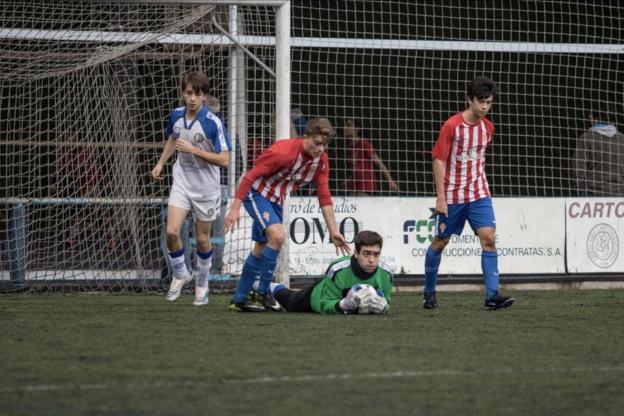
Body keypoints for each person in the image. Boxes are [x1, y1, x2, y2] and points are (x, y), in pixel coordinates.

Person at [223, 117, 351, 312]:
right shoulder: (283, 152)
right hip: (255, 192)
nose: (320, 149)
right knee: (278, 236)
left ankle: (239, 298)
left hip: (276, 199)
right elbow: (250, 176)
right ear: (305, 136)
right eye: (317, 143)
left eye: (324, 145)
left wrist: (334, 231)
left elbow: (324, 196)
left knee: (261, 247)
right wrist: (234, 208)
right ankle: (263, 293)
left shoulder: (321, 162)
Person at [422, 76, 514, 311]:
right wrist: (441, 197)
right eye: (481, 101)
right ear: (469, 100)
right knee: (440, 242)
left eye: (489, 103)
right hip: (452, 196)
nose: (484, 107)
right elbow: (438, 161)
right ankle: (429, 292)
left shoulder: (488, 128)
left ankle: (492, 296)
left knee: (489, 239)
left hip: (479, 193)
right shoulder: (452, 126)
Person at [151, 71, 231, 306]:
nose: (192, 98)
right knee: (172, 232)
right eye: (188, 93)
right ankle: (180, 273)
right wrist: (161, 163)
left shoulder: (213, 123)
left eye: (197, 94)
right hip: (182, 182)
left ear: (204, 96)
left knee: (202, 239)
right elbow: (172, 139)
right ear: (183, 94)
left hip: (206, 189)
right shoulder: (175, 116)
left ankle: (202, 284)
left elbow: (225, 160)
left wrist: (194, 150)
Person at [251, 230, 392, 314]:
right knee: (290, 301)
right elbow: (325, 304)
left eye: (376, 254)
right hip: (316, 298)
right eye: (366, 254)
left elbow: (386, 300)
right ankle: (256, 284)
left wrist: (384, 307)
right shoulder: (338, 270)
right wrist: (343, 305)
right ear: (355, 253)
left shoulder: (386, 275)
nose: (372, 260)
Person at [342, 118, 399, 196]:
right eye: (345, 125)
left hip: (366, 187)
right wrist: (349, 180)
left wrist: (390, 180)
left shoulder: (364, 143)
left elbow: (379, 163)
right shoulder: (350, 147)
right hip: (355, 188)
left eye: (349, 125)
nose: (345, 128)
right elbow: (355, 168)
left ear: (357, 129)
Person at [573, 112, 624, 196]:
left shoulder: (586, 137)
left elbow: (579, 167)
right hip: (619, 192)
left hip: (592, 192)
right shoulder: (622, 139)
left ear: (592, 117)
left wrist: (581, 189)